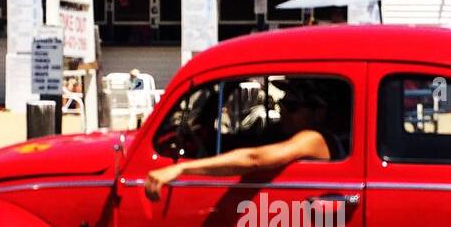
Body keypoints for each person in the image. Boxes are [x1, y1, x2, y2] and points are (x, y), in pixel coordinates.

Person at [145, 79, 340, 201]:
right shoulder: (289, 133)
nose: (283, 111)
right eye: (282, 103)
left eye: (292, 106)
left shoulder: (315, 138)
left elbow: (255, 158)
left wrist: (181, 168)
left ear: (318, 112)